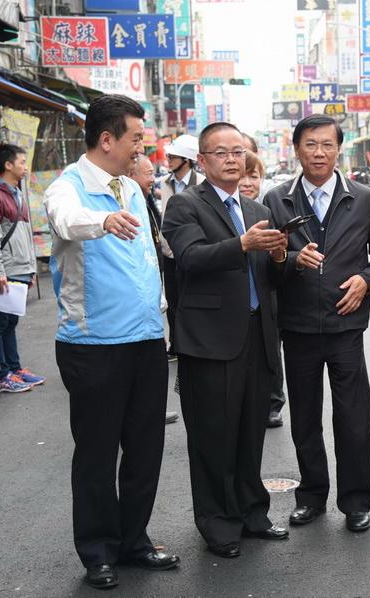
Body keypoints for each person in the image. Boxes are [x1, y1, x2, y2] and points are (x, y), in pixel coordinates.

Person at [44, 94, 179, 589]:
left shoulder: (130, 187)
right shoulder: (69, 186)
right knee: (98, 454)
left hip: (146, 341)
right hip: (93, 345)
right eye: (136, 139)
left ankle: (134, 540)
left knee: (146, 449)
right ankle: (99, 550)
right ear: (107, 140)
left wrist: (163, 316)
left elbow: (147, 261)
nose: (142, 148)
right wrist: (101, 221)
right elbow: (63, 221)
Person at [263, 114, 370, 533]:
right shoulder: (277, 199)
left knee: (353, 418)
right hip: (298, 326)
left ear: (339, 149)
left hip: (345, 326)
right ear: (296, 148)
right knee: (304, 418)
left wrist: (366, 280)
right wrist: (288, 258)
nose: (318, 152)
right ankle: (311, 496)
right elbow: (266, 266)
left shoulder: (361, 197)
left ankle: (357, 501)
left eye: (326, 144)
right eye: (310, 144)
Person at [161, 121, 290, 559]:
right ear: (202, 161)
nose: (232, 159)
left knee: (251, 432)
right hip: (211, 339)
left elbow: (272, 278)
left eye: (239, 151)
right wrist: (242, 243)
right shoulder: (184, 205)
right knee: (214, 437)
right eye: (221, 152)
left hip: (257, 332)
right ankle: (217, 523)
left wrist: (278, 256)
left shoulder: (255, 209)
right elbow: (191, 260)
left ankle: (253, 513)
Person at [0, 143, 45, 394]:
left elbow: (24, 235)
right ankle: (1, 375)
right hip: (6, 271)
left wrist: (31, 269)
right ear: (8, 165)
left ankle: (14, 370)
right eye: (22, 162)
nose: (25, 167)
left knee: (10, 323)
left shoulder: (16, 193)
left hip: (20, 269)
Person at [129, 154, 180, 427]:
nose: (153, 179)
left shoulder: (144, 199)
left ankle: (149, 411)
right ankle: (142, 414)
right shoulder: (126, 202)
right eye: (148, 173)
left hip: (153, 283)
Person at [239, 151, 287, 428]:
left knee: (271, 349)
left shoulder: (268, 208)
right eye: (243, 175)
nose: (247, 182)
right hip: (236, 297)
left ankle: (272, 402)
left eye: (253, 176)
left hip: (268, 292)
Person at [160, 134, 203, 361]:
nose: (168, 159)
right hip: (169, 252)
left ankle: (193, 342)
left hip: (193, 251)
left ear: (187, 160)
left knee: (194, 299)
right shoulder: (164, 183)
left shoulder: (202, 183)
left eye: (173, 156)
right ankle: (176, 344)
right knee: (173, 302)